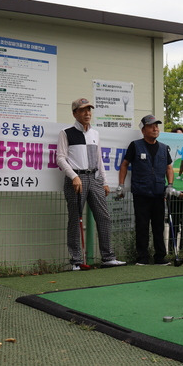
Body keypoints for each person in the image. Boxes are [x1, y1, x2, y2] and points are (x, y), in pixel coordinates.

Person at [57, 98, 126, 271]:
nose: (87, 113)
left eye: (89, 110)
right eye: (82, 110)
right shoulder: (66, 133)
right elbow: (60, 158)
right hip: (76, 180)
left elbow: (99, 160)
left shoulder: (95, 134)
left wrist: (104, 181)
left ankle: (108, 257)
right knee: (75, 220)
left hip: (94, 179)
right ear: (75, 113)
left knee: (104, 217)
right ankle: (76, 261)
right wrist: (73, 176)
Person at [117, 115, 177, 266]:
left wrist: (169, 185)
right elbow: (124, 164)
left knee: (159, 226)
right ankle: (142, 258)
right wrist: (121, 185)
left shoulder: (163, 148)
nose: (155, 128)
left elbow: (169, 167)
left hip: (158, 193)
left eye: (156, 126)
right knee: (142, 226)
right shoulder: (135, 145)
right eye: (151, 126)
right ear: (143, 130)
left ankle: (160, 257)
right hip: (141, 193)